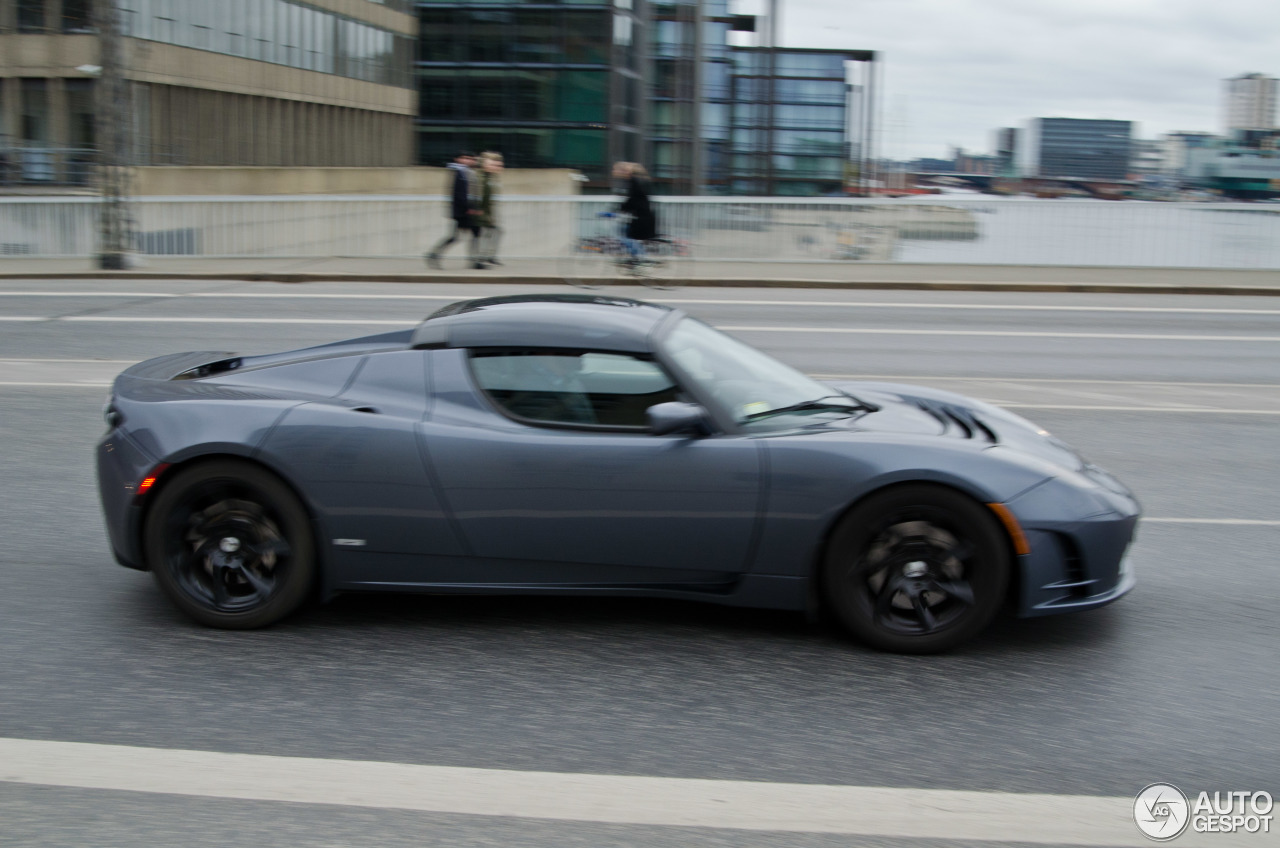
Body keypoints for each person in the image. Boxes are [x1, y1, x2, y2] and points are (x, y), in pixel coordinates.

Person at [426, 151, 483, 270]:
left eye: (470, 158)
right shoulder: (459, 173)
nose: (468, 160)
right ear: (457, 159)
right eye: (465, 158)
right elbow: (459, 194)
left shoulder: (468, 172)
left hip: (467, 209)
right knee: (460, 236)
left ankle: (474, 261)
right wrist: (469, 208)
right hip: (463, 211)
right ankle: (434, 255)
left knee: (473, 233)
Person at [614, 161, 658, 264]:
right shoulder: (640, 180)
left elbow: (632, 199)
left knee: (627, 235)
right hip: (643, 216)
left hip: (641, 217)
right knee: (628, 235)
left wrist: (620, 209)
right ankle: (637, 258)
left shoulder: (634, 181)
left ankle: (640, 258)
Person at [476, 151, 504, 267]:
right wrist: (485, 215)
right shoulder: (482, 178)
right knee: (487, 233)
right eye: (494, 165)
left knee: (494, 232)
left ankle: (487, 256)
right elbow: (481, 198)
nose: (498, 167)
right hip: (482, 212)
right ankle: (483, 257)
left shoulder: (491, 177)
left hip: (487, 211)